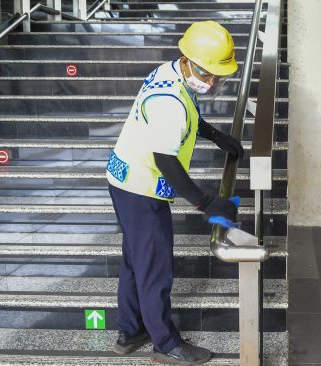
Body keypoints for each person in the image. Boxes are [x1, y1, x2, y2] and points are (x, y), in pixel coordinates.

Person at [105, 21, 244, 365]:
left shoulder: (170, 72)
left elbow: (189, 112)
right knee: (155, 268)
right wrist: (205, 201)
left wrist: (215, 135)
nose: (210, 82)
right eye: (205, 73)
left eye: (216, 76)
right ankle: (165, 344)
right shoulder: (169, 101)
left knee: (135, 261)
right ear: (188, 58)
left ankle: (129, 330)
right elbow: (166, 161)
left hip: (123, 177)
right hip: (142, 187)